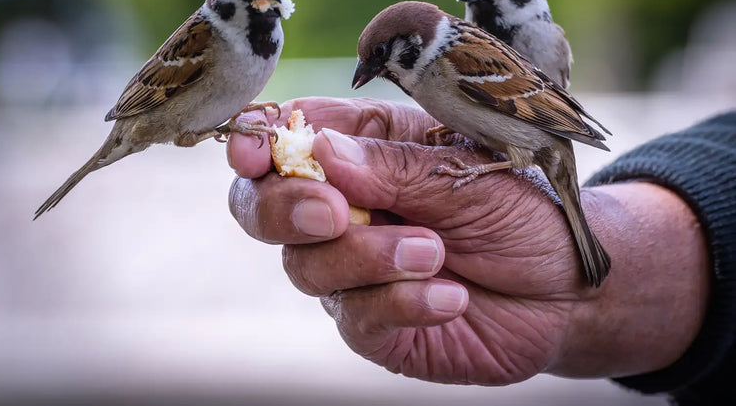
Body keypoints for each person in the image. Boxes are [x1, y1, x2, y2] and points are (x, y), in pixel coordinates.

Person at [225, 97, 736, 405]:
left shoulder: (461, 62)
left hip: (537, 141)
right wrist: (583, 310)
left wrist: (475, 170)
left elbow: (521, 132)